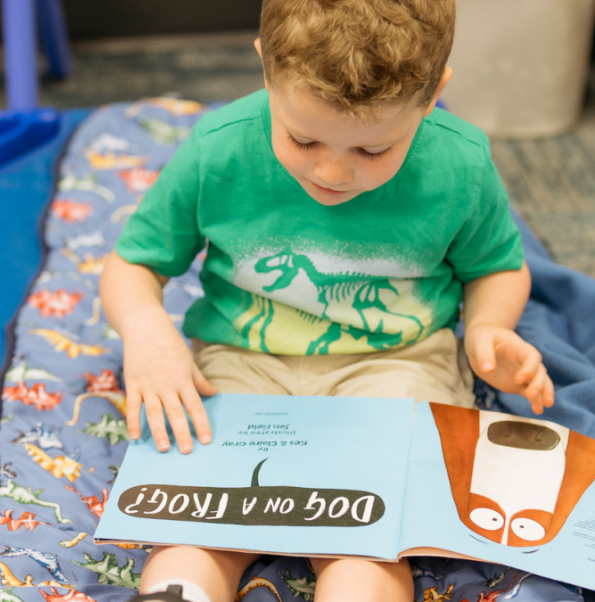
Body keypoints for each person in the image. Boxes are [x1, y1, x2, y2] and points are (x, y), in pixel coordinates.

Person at [99, 1, 555, 600]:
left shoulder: (460, 165)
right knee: (199, 527)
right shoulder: (217, 148)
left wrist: (489, 328)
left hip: (395, 364)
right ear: (266, 69)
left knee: (367, 538)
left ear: (434, 93)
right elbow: (132, 264)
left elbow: (496, 266)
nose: (333, 172)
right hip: (242, 363)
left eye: (373, 150)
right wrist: (145, 328)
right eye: (303, 138)